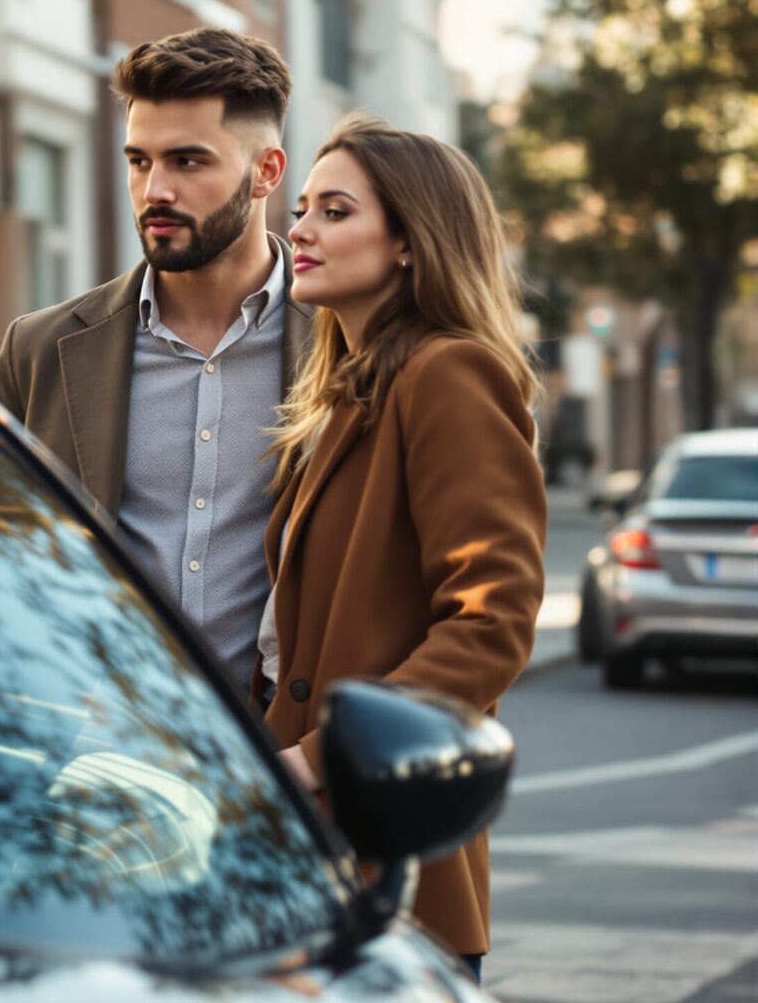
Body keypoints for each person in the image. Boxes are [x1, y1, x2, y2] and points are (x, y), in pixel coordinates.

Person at [257, 112, 547, 980]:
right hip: (307, 856)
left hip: (387, 862)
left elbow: (492, 619)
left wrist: (321, 762)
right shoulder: (348, 395)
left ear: (411, 242)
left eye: (335, 211)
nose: (300, 230)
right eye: (302, 209)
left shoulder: (447, 372)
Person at [0, 27, 311, 692]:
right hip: (91, 737)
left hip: (276, 742)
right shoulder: (38, 353)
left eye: (187, 161)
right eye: (139, 161)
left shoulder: (350, 348)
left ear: (266, 172)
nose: (154, 189)